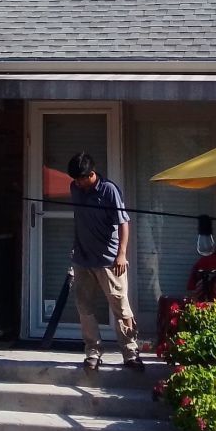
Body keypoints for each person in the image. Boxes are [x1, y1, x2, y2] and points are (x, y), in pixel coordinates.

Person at [67, 152, 144, 371]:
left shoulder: (109, 190)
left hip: (109, 260)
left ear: (91, 174)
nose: (77, 183)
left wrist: (122, 254)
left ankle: (130, 353)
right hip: (82, 259)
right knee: (84, 307)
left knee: (121, 307)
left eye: (80, 178)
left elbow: (123, 223)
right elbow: (79, 219)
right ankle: (93, 352)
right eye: (75, 179)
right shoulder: (75, 189)